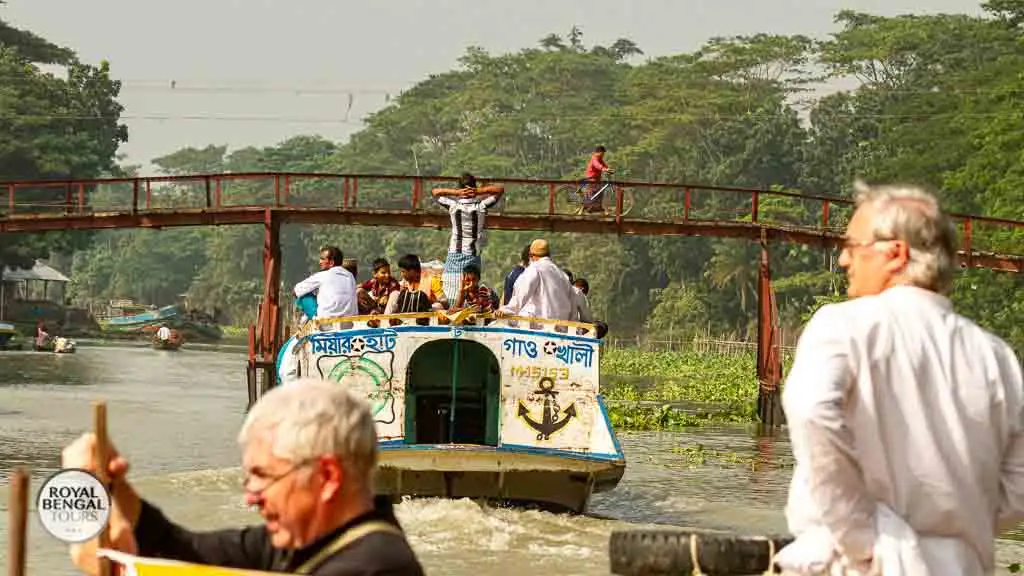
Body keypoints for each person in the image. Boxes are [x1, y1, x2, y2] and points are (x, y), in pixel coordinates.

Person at [773, 181, 1024, 575]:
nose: (843, 260)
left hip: (859, 564)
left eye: (853, 246)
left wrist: (862, 534)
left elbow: (811, 410)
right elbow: (1017, 489)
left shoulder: (842, 326)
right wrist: (953, 527)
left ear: (895, 253)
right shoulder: (995, 355)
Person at [63, 378, 426, 576]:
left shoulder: (378, 567)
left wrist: (122, 572)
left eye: (263, 476)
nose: (251, 496)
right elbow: (174, 548)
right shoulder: (294, 544)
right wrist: (105, 485)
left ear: (327, 476)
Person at [431, 172, 504, 304]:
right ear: (474, 186)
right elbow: (499, 190)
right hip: (472, 255)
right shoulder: (481, 206)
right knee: (471, 294)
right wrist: (478, 191)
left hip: (454, 254)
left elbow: (435, 192)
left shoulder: (453, 206)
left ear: (460, 187)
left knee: (451, 296)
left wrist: (456, 192)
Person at [495, 239, 575, 322]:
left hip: (539, 327)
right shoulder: (563, 275)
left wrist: (504, 310)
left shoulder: (534, 269)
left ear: (531, 255)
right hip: (563, 328)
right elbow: (572, 306)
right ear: (549, 255)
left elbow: (521, 296)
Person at [293, 245, 358, 323]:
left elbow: (295, 291)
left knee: (302, 295)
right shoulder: (350, 276)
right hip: (350, 321)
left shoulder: (322, 275)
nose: (320, 262)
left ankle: (313, 319)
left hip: (325, 322)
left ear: (331, 262)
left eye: (323, 259)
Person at [383, 254, 447, 318]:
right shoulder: (405, 282)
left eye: (403, 272)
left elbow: (445, 303)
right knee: (395, 294)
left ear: (412, 271)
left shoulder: (432, 280)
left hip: (428, 314)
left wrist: (428, 306)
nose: (401, 274)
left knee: (438, 305)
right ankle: (385, 321)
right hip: (409, 314)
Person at [582, 145, 613, 213]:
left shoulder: (600, 159)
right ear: (598, 152)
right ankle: (590, 206)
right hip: (591, 178)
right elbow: (597, 165)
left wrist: (608, 169)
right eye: (602, 153)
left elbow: (604, 165)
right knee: (594, 191)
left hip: (596, 178)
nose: (603, 155)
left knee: (600, 191)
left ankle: (596, 206)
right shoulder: (594, 158)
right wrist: (603, 169)